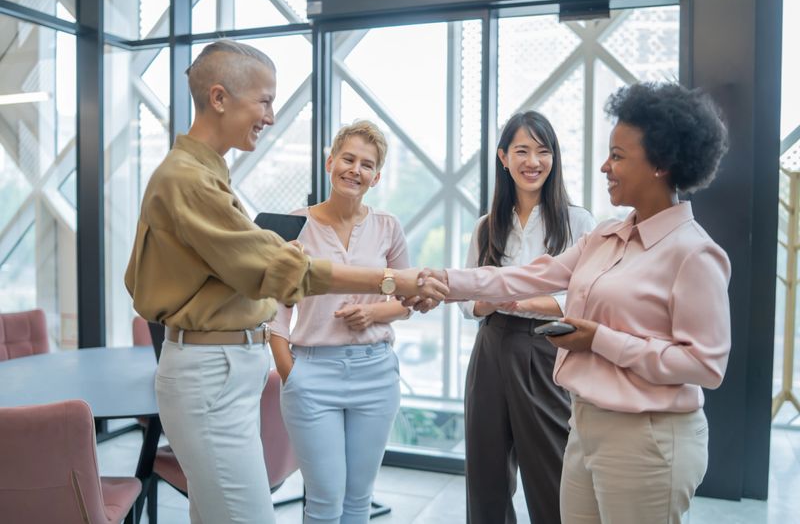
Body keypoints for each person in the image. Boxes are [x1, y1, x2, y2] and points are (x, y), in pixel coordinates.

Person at [125, 40, 447, 524]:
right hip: (216, 372)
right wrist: (390, 280)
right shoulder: (189, 180)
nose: (271, 116)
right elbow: (285, 275)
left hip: (227, 371)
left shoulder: (204, 176)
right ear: (219, 98)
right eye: (265, 100)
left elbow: (149, 277)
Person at [404, 82, 731, 523]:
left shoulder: (694, 252)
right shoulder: (606, 236)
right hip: (586, 422)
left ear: (662, 163)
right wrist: (443, 280)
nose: (604, 166)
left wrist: (600, 339)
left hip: (648, 437)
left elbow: (705, 367)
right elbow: (528, 275)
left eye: (617, 156)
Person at [269, 120, 409, 524]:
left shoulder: (388, 227)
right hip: (311, 372)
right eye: (348, 158)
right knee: (325, 502)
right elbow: (275, 306)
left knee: (358, 501)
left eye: (367, 164)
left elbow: (407, 298)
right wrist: (289, 371)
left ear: (377, 176)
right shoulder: (295, 224)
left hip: (376, 372)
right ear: (330, 162)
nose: (355, 169)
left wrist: (374, 312)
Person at [458, 111, 595, 524]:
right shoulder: (487, 226)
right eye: (521, 150)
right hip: (492, 347)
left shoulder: (578, 221)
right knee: (486, 474)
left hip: (547, 347)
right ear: (503, 157)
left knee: (550, 470)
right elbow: (469, 300)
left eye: (542, 150)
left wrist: (515, 296)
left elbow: (582, 299)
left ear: (554, 158)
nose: (532, 161)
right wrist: (490, 299)